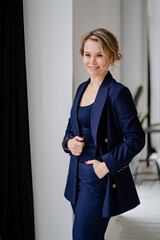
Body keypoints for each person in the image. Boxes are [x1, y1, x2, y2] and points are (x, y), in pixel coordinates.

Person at [62, 28, 145, 240]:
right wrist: (69, 143)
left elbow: (136, 138)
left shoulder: (117, 92)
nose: (92, 61)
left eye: (100, 54)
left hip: (97, 177)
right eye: (87, 54)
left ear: (112, 56)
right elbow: (70, 129)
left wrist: (106, 165)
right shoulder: (81, 88)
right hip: (76, 176)